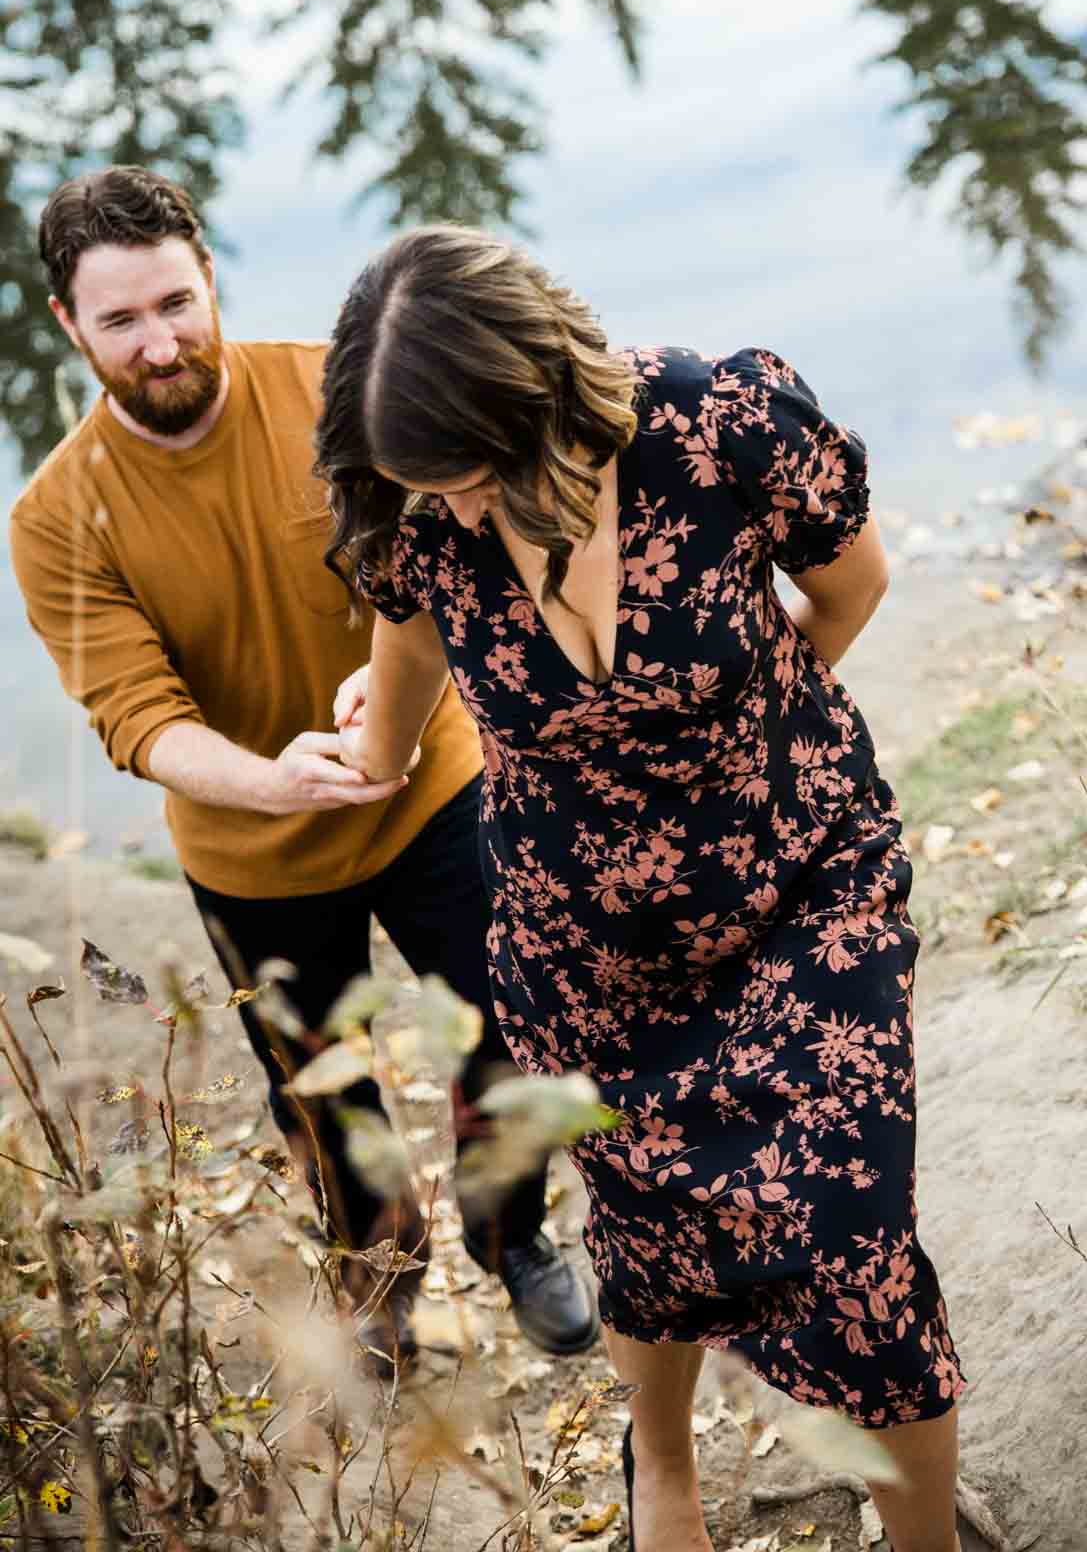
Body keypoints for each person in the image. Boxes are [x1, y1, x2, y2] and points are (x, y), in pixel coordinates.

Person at [315, 225, 966, 1552]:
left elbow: (848, 592)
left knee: (853, 1247)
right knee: (651, 1235)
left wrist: (732, 742)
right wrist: (338, 751)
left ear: (537, 402)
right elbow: (395, 713)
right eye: (429, 492)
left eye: (473, 480)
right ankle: (661, 1461)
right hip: (583, 957)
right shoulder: (422, 520)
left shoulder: (721, 421)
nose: (458, 517)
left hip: (801, 890)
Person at [8, 168, 595, 1371]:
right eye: (120, 319)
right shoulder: (56, 516)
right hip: (253, 852)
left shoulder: (341, 392)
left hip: (434, 785)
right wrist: (273, 782)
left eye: (176, 301)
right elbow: (136, 716)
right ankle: (388, 1284)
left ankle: (514, 1234)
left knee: (513, 1019)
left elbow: (456, 554)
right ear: (68, 323)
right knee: (322, 1093)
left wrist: (406, 688)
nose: (159, 343)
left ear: (210, 275)